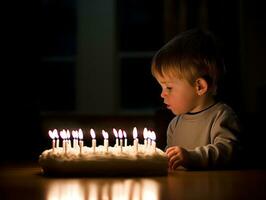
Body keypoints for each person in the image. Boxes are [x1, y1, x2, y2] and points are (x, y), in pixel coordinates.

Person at [151, 28, 242, 170]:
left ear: (199, 86)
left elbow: (228, 152)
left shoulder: (221, 116)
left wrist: (192, 157)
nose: (162, 94)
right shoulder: (174, 125)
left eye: (168, 87)